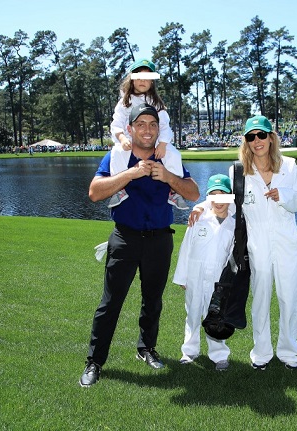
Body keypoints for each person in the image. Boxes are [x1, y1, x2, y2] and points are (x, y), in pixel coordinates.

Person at [79, 103, 200, 387]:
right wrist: (131, 174)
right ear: (130, 129)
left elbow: (193, 192)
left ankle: (146, 348)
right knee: (110, 303)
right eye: (141, 124)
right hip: (125, 238)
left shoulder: (168, 158)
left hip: (159, 239)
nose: (147, 130)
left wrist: (168, 177)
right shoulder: (118, 156)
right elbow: (94, 193)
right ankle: (94, 361)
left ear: (159, 130)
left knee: (153, 301)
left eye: (153, 124)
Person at [190, 115, 297, 371]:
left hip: (287, 241)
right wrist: (200, 206)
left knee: (290, 297)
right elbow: (224, 200)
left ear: (271, 138)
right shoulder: (238, 171)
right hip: (256, 244)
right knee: (260, 299)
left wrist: (283, 195)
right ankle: (261, 353)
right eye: (251, 136)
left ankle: (288, 352)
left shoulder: (289, 166)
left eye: (261, 135)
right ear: (246, 141)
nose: (257, 141)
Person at [173, 174, 236, 371]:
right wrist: (183, 276)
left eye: (223, 195)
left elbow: (232, 258)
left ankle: (219, 355)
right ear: (208, 198)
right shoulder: (198, 219)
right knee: (192, 313)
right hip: (195, 274)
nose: (218, 200)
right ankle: (189, 351)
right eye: (213, 195)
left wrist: (230, 283)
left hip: (218, 279)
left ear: (231, 197)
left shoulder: (234, 225)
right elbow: (186, 248)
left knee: (216, 314)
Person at [107, 58, 187, 209]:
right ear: (132, 79)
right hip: (129, 141)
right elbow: (116, 124)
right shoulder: (125, 102)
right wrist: (122, 138)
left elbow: (164, 126)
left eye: (148, 78)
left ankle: (174, 192)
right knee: (117, 152)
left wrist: (163, 144)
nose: (143, 81)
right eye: (139, 77)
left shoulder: (156, 102)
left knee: (174, 154)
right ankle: (119, 189)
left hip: (155, 140)